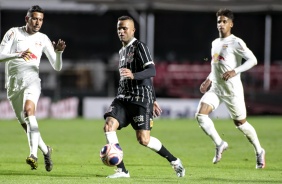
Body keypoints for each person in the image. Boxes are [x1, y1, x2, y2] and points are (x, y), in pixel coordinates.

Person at [103, 15, 185, 178]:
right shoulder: (121, 51)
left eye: (124, 28)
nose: (121, 31)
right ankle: (122, 170)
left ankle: (175, 161)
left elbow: (151, 71)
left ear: (133, 30)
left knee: (143, 139)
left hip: (140, 99)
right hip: (123, 98)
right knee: (108, 126)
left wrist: (148, 93)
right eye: (119, 28)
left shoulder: (140, 47)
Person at [195, 8, 265, 169]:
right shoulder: (214, 43)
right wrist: (208, 80)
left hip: (232, 91)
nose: (221, 24)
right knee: (200, 115)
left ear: (231, 24)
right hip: (216, 89)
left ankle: (259, 151)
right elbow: (216, 66)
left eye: (224, 21)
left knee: (240, 124)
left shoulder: (236, 42)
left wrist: (235, 71)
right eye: (219, 21)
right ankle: (220, 143)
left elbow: (253, 60)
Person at [0, 5, 66, 171]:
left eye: (41, 19)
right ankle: (45, 150)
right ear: (27, 18)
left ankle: (33, 155)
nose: (38, 22)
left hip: (32, 81)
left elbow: (57, 67)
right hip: (13, 84)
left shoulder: (43, 38)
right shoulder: (13, 33)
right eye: (35, 18)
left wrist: (58, 53)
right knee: (25, 124)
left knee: (29, 112)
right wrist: (18, 54)